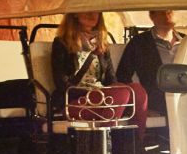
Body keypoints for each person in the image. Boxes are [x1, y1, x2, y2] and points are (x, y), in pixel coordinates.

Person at [50, 12, 149, 141]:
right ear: (75, 14)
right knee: (121, 92)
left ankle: (137, 146)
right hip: (76, 100)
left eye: (97, 10)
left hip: (102, 99)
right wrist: (92, 92)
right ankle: (107, 143)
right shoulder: (62, 43)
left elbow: (111, 79)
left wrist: (107, 91)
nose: (93, 14)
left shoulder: (101, 44)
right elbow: (61, 83)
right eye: (88, 9)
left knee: (137, 90)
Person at [116, 10, 184, 115]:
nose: (167, 16)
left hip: (185, 102)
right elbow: (122, 76)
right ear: (152, 15)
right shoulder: (139, 43)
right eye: (162, 12)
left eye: (170, 11)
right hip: (155, 105)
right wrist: (140, 105)